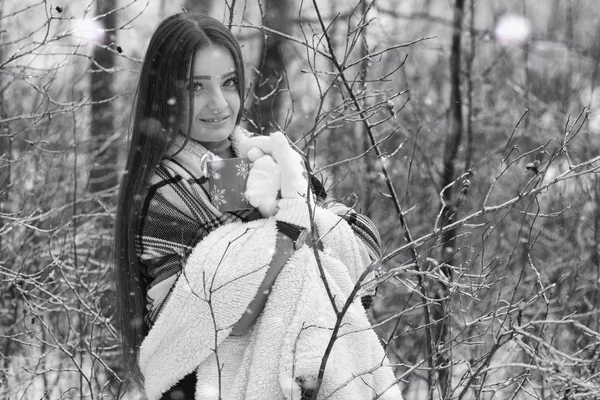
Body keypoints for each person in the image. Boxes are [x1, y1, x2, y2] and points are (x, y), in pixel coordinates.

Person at [114, 13, 402, 400]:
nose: (218, 103)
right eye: (195, 87)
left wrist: (294, 221)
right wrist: (295, 221)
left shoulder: (263, 163)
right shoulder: (164, 191)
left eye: (229, 82)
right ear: (164, 91)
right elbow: (220, 315)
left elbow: (363, 250)